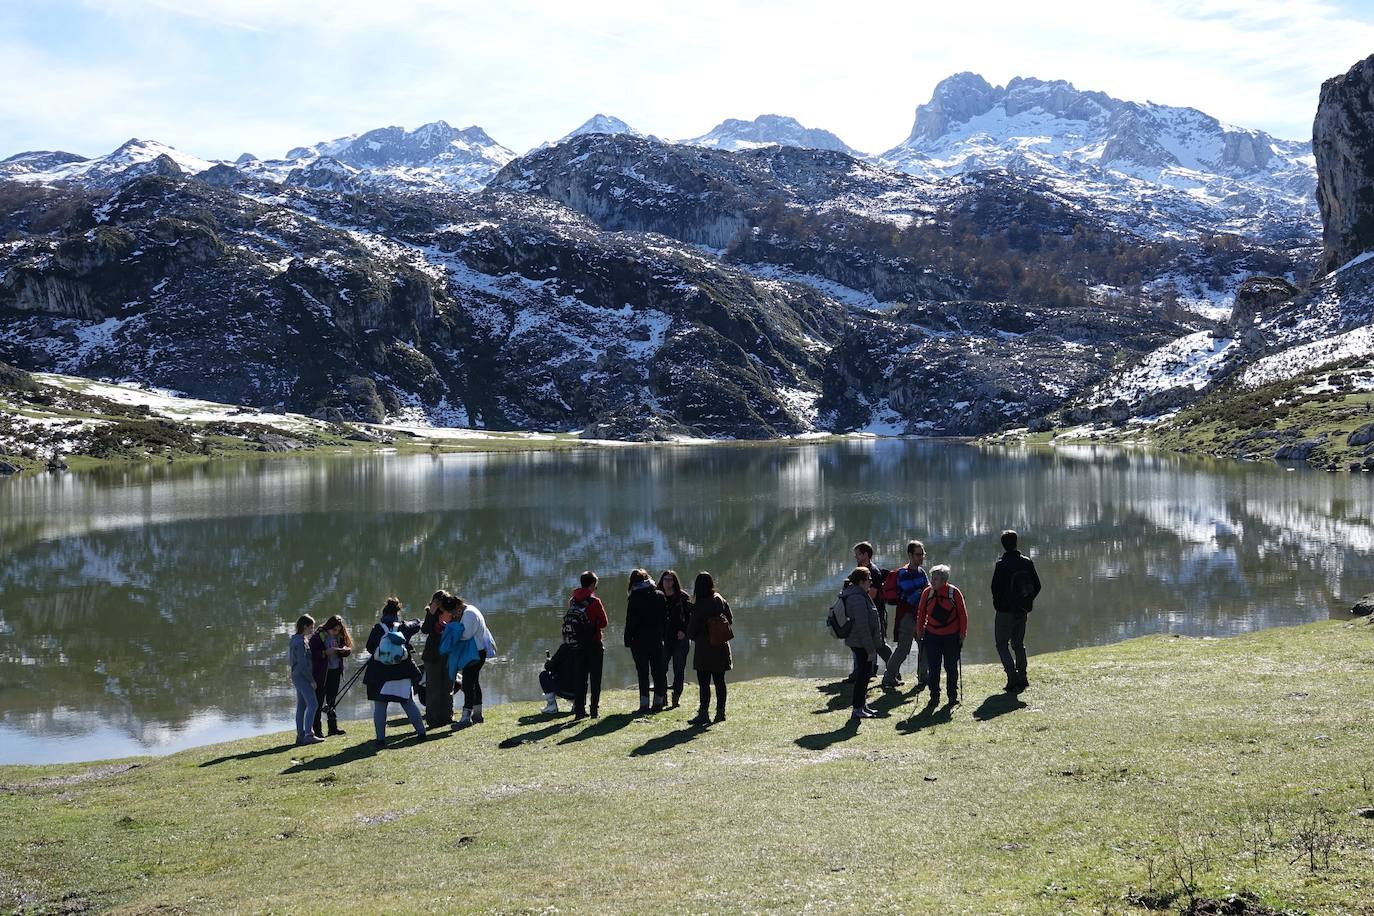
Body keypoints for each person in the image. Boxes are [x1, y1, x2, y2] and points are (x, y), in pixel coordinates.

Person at [362, 597, 426, 748]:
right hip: (402, 672)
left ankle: (380, 739)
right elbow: (417, 624)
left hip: (379, 674)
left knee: (380, 706)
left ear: (383, 613)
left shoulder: (377, 628)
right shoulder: (403, 627)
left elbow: (370, 647)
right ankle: (421, 732)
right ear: (397, 612)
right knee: (408, 703)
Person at [990, 529, 1042, 693]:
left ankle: (1012, 677)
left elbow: (995, 589)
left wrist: (999, 606)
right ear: (1016, 543)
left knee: (1001, 644)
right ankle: (1023, 676)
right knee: (1019, 644)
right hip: (1022, 610)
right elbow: (1037, 586)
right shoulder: (1027, 562)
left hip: (1005, 612)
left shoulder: (1001, 565)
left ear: (1003, 545)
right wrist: (1026, 601)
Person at [441, 593, 497, 728]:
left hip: (475, 654)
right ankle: (477, 714)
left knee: (467, 684)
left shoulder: (469, 614)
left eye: (453, 613)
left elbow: (466, 635)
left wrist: (452, 628)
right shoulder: (469, 611)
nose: (453, 616)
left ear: (458, 607)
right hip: (475, 653)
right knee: (474, 683)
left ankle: (466, 718)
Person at [916, 565, 968, 706]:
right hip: (932, 636)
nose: (932, 581)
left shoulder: (954, 592)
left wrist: (962, 633)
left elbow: (962, 615)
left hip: (951, 637)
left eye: (936, 579)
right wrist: (919, 631)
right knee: (933, 668)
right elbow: (921, 613)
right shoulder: (927, 593)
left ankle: (952, 696)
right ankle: (934, 696)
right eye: (932, 578)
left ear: (944, 580)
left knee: (951, 667)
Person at [686, 571, 733, 726]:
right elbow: (730, 619)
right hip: (721, 647)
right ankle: (721, 713)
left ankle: (704, 714)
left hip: (704, 650)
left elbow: (691, 632)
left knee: (704, 684)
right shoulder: (719, 599)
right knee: (720, 682)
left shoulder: (698, 606)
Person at [882, 541, 929, 690]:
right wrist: (925, 592)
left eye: (922, 554)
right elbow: (912, 597)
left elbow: (925, 592)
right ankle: (889, 678)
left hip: (920, 616)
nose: (921, 557)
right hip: (907, 617)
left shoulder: (922, 572)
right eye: (918, 554)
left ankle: (923, 677)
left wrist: (923, 592)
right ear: (910, 555)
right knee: (903, 649)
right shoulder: (903, 574)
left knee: (924, 647)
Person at [839, 568, 882, 719]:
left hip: (860, 641)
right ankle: (857, 709)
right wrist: (871, 650)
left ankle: (862, 706)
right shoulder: (857, 598)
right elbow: (862, 626)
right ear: (861, 581)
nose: (871, 581)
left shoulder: (859, 594)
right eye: (869, 579)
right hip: (860, 643)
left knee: (865, 675)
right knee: (863, 676)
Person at [625, 569, 669, 712]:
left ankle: (644, 704)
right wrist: (663, 636)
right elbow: (665, 619)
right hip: (656, 639)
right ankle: (658, 702)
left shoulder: (634, 597)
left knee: (643, 672)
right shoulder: (660, 595)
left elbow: (630, 621)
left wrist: (627, 639)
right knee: (658, 671)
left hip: (639, 641)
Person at [569, 571, 609, 720]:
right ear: (592, 584)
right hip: (594, 643)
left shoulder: (573, 600)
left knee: (580, 677)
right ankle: (594, 711)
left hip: (578, 644)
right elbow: (604, 623)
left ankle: (579, 711)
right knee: (595, 678)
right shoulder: (594, 601)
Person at [852, 542, 893, 679]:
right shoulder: (859, 570)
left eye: (857, 554)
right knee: (860, 642)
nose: (855, 557)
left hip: (874, 613)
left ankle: (893, 668)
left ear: (865, 554)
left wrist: (855, 598)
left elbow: (872, 595)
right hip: (862, 612)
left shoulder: (873, 572)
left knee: (879, 643)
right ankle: (863, 671)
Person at [309, 614, 353, 737]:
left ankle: (332, 728)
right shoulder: (318, 637)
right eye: (334, 629)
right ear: (328, 627)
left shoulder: (340, 636)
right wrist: (325, 653)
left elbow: (347, 648)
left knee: (332, 701)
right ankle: (317, 731)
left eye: (339, 630)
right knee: (318, 702)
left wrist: (345, 651)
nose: (336, 632)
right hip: (321, 674)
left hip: (335, 671)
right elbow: (312, 654)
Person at [421, 589, 454, 727]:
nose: (440, 605)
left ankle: (447, 717)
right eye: (438, 602)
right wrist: (431, 612)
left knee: (448, 687)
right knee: (433, 688)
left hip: (448, 654)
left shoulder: (451, 613)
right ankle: (432, 719)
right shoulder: (431, 614)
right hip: (432, 656)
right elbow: (425, 630)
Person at [659, 570, 693, 708]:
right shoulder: (657, 596)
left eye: (670, 579)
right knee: (661, 669)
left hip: (681, 640)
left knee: (679, 670)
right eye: (665, 579)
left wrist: (684, 632)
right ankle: (663, 697)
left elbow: (691, 618)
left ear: (675, 581)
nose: (667, 582)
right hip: (663, 640)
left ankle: (676, 698)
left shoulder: (683, 597)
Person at [289, 614, 324, 745]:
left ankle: (300, 735)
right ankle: (308, 734)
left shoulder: (295, 639)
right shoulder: (300, 642)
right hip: (302, 676)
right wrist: (311, 680)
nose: (312, 630)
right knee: (313, 704)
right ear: (305, 626)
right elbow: (303, 664)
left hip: (296, 675)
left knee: (302, 705)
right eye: (311, 627)